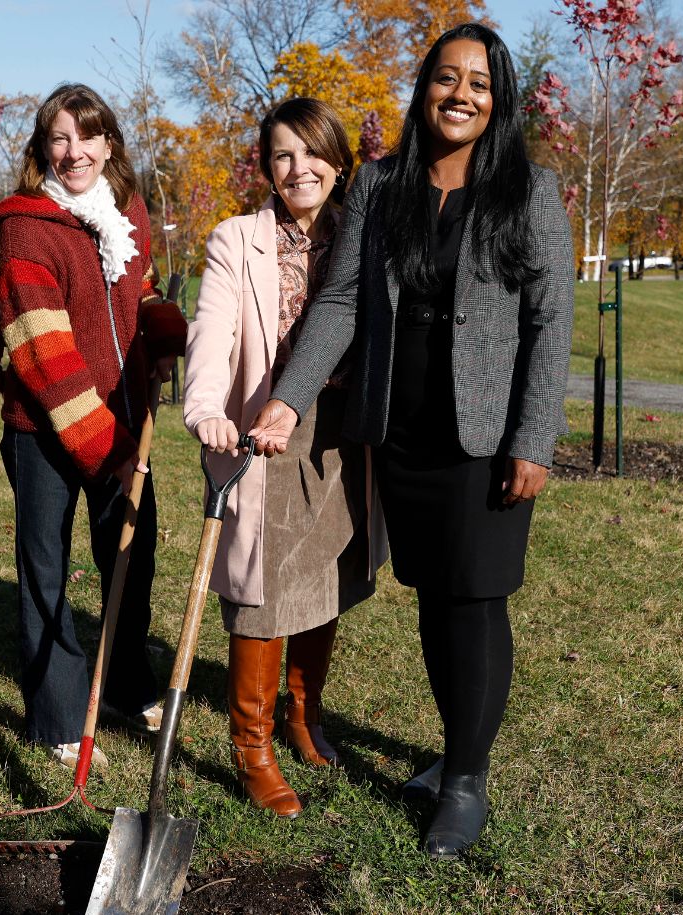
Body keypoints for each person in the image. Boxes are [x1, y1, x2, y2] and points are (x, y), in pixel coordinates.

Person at [249, 23, 574, 857]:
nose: (459, 94)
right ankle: (456, 750)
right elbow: (341, 302)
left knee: (476, 598)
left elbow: (550, 319)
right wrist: (287, 400)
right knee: (434, 593)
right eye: (445, 78)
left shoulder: (528, 190)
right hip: (402, 428)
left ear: (496, 98)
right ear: (423, 89)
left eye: (478, 82)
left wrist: (533, 437)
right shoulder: (382, 185)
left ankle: (465, 778)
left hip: (487, 433)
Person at [182, 98, 383, 818]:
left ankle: (304, 714)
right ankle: (252, 745)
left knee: (326, 577)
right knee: (261, 594)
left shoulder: (367, 234)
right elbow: (212, 331)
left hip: (346, 430)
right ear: (266, 167)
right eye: (281, 156)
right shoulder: (237, 239)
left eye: (311, 152)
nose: (298, 169)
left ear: (339, 157)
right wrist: (205, 407)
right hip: (264, 432)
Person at [0, 83, 187, 769]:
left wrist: (163, 330)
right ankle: (57, 715)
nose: (75, 152)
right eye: (60, 139)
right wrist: (109, 448)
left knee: (131, 560)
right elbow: (43, 356)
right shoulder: (23, 227)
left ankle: (128, 684)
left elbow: (145, 286)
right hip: (45, 429)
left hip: (127, 421)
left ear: (109, 143)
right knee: (45, 572)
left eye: (88, 136)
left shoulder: (125, 209)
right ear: (43, 147)